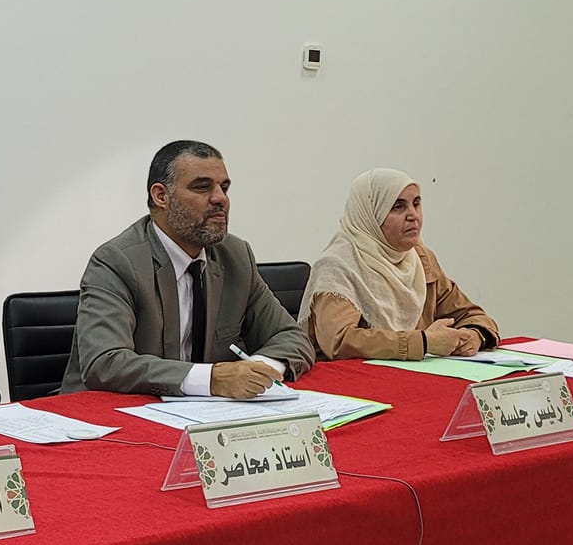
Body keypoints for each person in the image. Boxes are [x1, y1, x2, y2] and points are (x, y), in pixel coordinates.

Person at [60, 140, 314, 396]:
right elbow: (105, 363)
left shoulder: (235, 256)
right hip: (109, 412)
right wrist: (211, 380)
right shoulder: (116, 262)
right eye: (202, 187)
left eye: (224, 188)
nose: (220, 198)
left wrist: (259, 371)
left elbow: (291, 337)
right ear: (161, 196)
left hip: (206, 412)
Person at [299, 168, 500, 361]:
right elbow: (339, 342)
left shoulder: (420, 259)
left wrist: (475, 334)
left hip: (413, 374)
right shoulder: (336, 266)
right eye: (398, 207)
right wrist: (423, 342)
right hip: (350, 380)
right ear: (371, 215)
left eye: (416, 204)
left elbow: (469, 313)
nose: (413, 215)